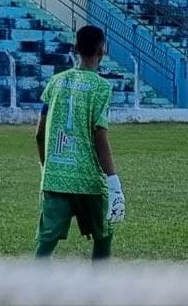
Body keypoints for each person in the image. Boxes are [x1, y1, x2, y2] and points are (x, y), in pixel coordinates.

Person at [34, 25, 124, 260]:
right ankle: (98, 290)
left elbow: (39, 133)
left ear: (75, 49)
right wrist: (114, 183)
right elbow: (99, 136)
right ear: (101, 51)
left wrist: (47, 167)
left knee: (46, 242)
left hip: (56, 176)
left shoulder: (55, 82)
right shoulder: (102, 87)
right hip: (89, 179)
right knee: (103, 236)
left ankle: (31, 289)